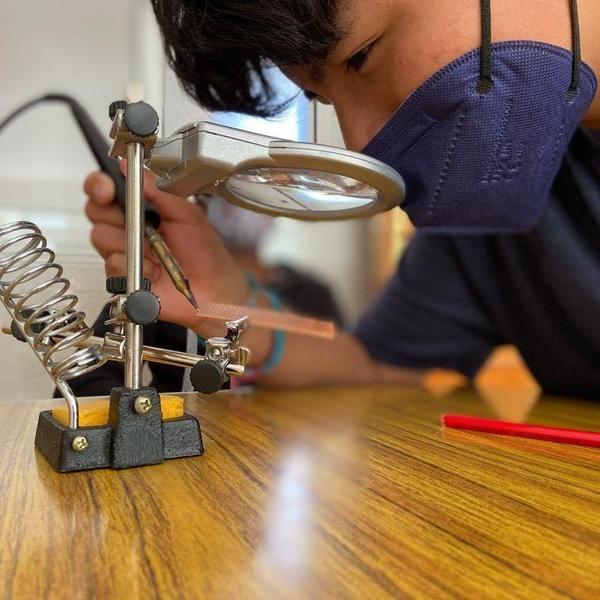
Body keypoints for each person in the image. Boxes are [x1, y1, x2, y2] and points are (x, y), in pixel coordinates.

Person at [84, 0, 600, 398]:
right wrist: (224, 300)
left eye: (361, 55)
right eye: (325, 98)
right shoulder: (489, 203)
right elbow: (377, 366)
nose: (359, 142)